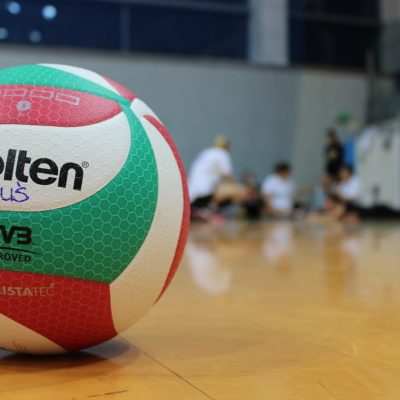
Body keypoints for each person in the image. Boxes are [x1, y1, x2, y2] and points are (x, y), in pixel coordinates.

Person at [188, 136, 246, 220]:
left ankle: (202, 209)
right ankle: (210, 209)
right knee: (240, 190)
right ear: (227, 147)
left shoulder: (206, 152)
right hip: (205, 194)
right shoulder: (222, 154)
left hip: (191, 196)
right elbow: (229, 177)